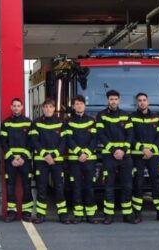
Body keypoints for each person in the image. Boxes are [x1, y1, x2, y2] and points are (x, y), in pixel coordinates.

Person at [96, 89, 135, 224]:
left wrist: (123, 150)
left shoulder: (126, 115)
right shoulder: (101, 116)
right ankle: (109, 215)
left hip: (125, 156)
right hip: (109, 156)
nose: (113, 101)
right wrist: (114, 150)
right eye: (111, 99)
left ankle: (128, 214)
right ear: (107, 100)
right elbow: (101, 135)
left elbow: (130, 135)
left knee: (127, 185)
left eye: (115, 99)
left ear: (119, 100)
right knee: (109, 186)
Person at [130, 92, 159, 222]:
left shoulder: (155, 117)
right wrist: (142, 149)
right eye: (139, 100)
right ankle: (137, 213)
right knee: (138, 183)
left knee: (156, 183)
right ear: (136, 103)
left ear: (148, 101)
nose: (142, 102)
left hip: (153, 155)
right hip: (138, 155)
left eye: (144, 100)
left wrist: (151, 150)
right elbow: (130, 137)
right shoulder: (132, 118)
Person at [30, 98, 67, 224]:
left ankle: (63, 214)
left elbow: (64, 142)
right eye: (46, 107)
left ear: (54, 108)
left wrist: (54, 155)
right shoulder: (36, 123)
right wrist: (45, 155)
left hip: (57, 161)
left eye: (50, 107)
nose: (48, 109)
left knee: (59, 187)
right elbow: (34, 141)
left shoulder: (61, 122)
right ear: (43, 108)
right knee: (42, 188)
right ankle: (41, 214)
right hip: (42, 161)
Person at [63, 95, 98, 224]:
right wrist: (79, 153)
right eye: (77, 104)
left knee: (89, 187)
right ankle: (78, 214)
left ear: (85, 106)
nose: (79, 106)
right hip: (75, 160)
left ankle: (91, 214)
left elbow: (94, 139)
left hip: (89, 159)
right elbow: (68, 139)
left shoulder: (92, 121)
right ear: (73, 106)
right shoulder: (68, 121)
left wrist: (86, 153)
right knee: (76, 187)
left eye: (81, 104)